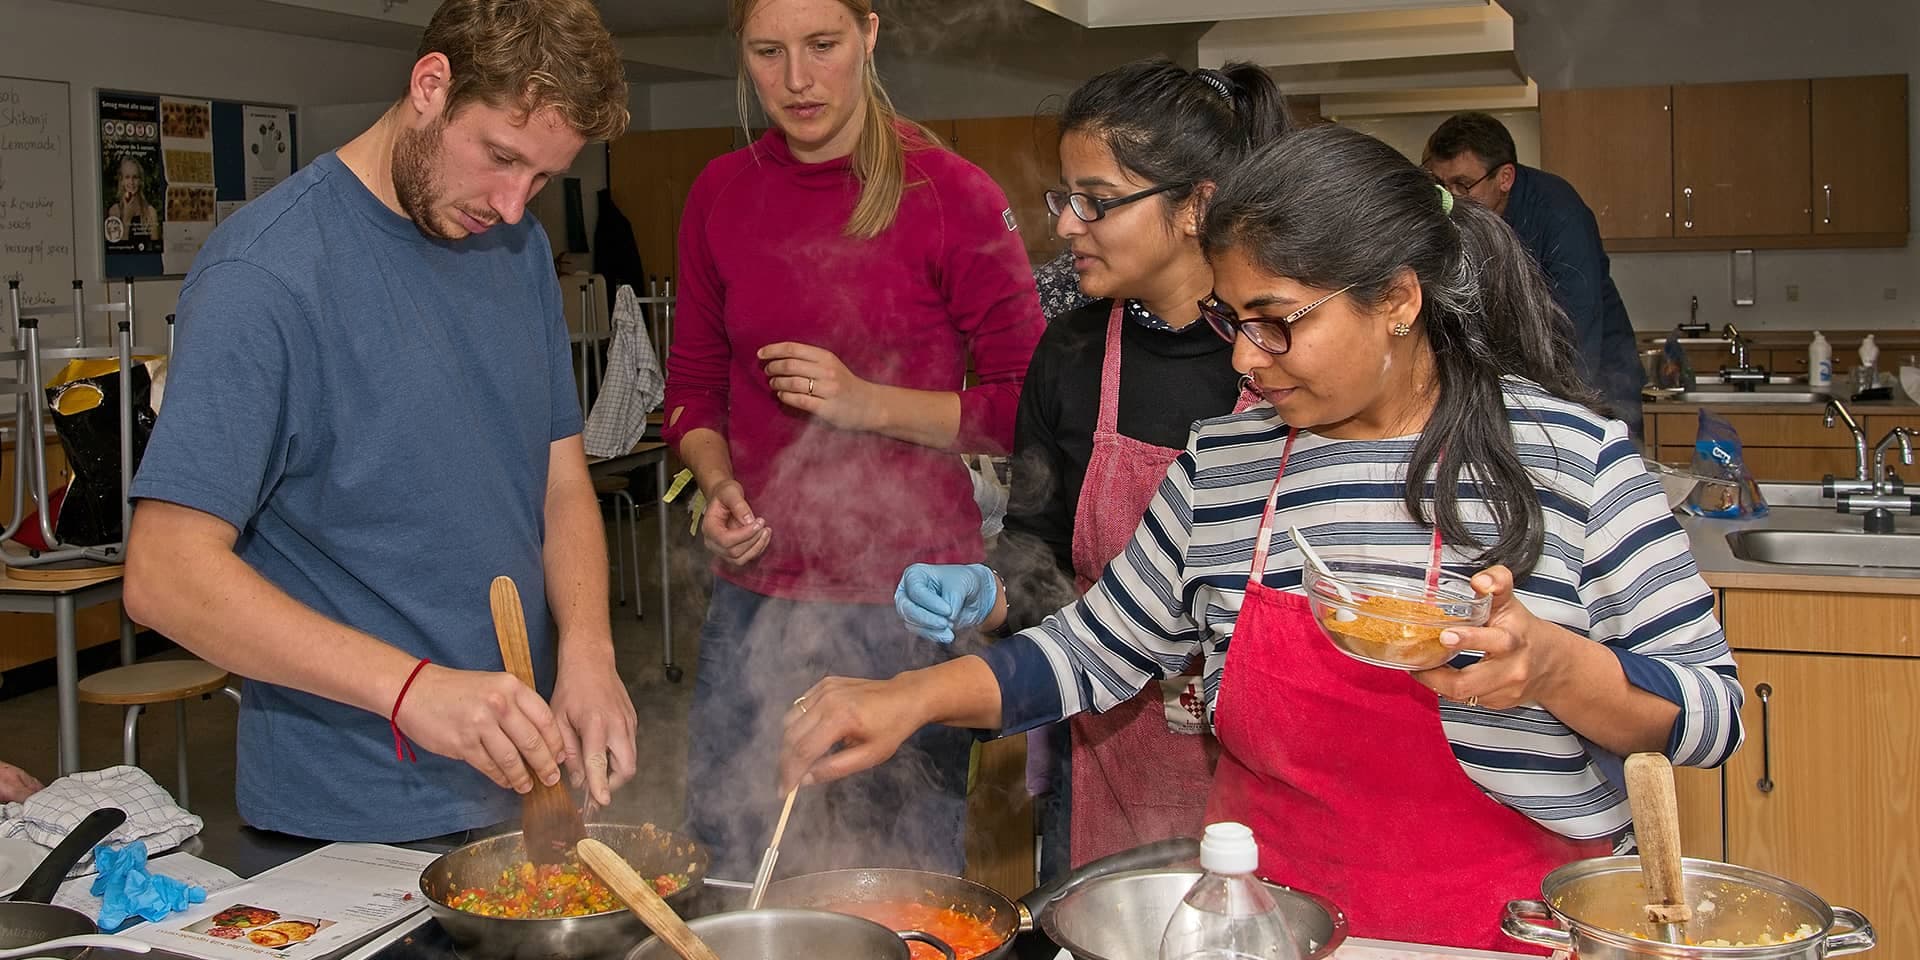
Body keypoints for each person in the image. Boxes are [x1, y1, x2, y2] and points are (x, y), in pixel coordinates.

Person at [783, 124, 1744, 950]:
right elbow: (1094, 649)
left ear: (1399, 301)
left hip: (1502, 934)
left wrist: (1554, 669)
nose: (1246, 358)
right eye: (1231, 320)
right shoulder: (1229, 463)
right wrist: (909, 698)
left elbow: (1712, 714)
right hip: (1265, 930)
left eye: (1278, 322)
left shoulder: (1569, 460)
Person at [123, 0, 637, 843]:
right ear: (430, 84)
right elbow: (165, 574)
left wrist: (588, 650)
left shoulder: (519, 251)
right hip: (345, 819)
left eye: (541, 178)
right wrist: (412, 691)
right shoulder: (266, 276)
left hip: (521, 796)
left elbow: (559, 480)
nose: (513, 206)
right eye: (501, 158)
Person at [662, 0, 1044, 878]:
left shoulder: (953, 194)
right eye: (768, 52)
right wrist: (716, 481)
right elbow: (693, 390)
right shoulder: (720, 192)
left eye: (822, 46)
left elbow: (1025, 408)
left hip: (910, 606)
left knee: (901, 876)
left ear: (870, 35)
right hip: (752, 600)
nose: (796, 81)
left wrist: (866, 403)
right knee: (730, 862)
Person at [988, 58, 1291, 878]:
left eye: (1100, 200)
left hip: (1267, 767)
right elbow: (1034, 544)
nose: (1069, 225)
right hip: (1103, 747)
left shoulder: (1287, 364)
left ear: (1197, 204)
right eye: (1065, 198)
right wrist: (989, 592)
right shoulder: (1072, 354)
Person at [1422, 112, 1645, 435]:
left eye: (1463, 184)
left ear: (1505, 178)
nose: (1451, 197)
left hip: (1597, 375)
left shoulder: (1560, 214)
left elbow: (1577, 327)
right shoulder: (1460, 218)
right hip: (1525, 377)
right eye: (1441, 184)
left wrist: (1565, 416)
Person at [106, 156, 159, 242]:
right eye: (127, 177)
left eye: (135, 177)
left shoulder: (151, 212)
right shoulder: (114, 211)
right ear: (122, 181)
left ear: (140, 181)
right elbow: (119, 250)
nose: (131, 182)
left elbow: (155, 248)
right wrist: (127, 218)